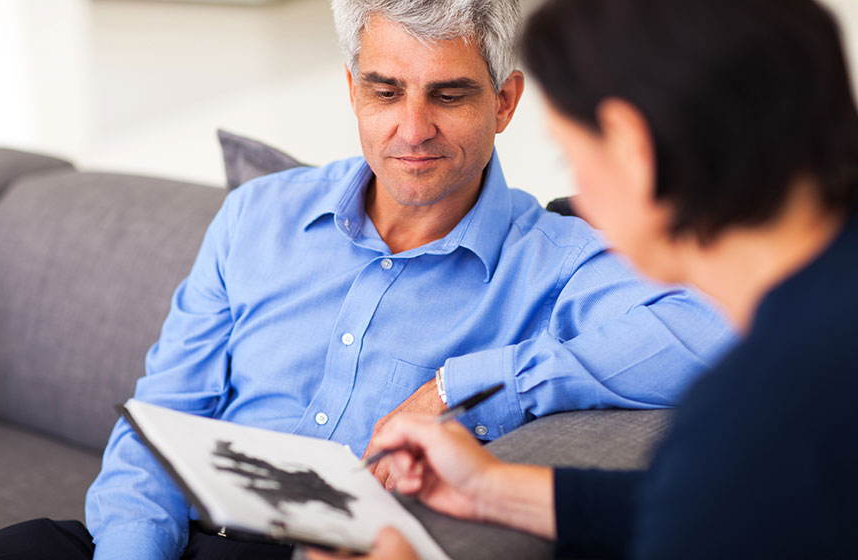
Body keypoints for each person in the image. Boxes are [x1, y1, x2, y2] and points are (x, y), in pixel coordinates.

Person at [0, 1, 733, 559]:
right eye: (385, 91)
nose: (411, 130)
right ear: (352, 91)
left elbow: (719, 337)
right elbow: (159, 422)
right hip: (145, 539)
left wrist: (478, 383)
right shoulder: (257, 219)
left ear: (505, 101)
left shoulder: (552, 260)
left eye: (448, 94)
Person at [304, 0, 858, 558]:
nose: (579, 203)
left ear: (633, 151)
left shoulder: (768, 403)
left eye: (573, 158)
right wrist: (495, 491)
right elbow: (715, 504)